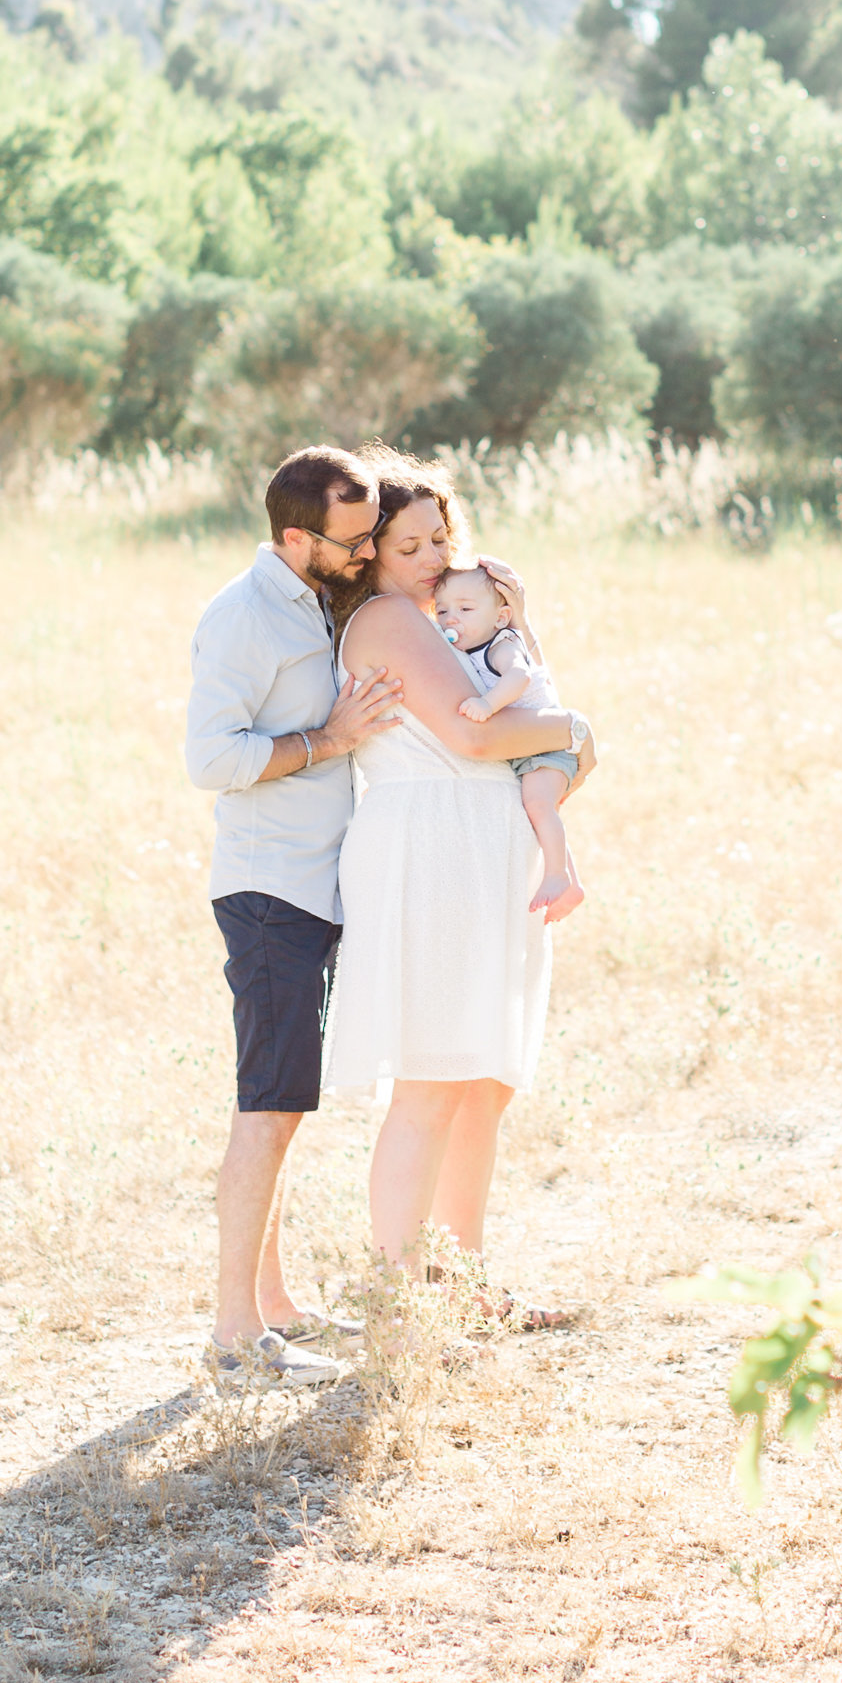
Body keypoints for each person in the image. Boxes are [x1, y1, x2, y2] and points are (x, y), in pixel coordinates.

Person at [322, 455, 594, 1300]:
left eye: (442, 537)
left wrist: (522, 625)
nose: (434, 558)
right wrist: (575, 727)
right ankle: (402, 1302)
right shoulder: (390, 621)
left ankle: (465, 1288)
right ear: (368, 554)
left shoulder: (452, 620)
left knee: (482, 1081)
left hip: (484, 843)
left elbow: (519, 719)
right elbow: (480, 739)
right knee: (434, 1080)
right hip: (430, 845)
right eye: (410, 545)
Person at [185, 444, 402, 1386]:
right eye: (352, 540)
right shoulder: (240, 619)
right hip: (270, 889)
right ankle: (235, 1340)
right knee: (266, 1111)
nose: (366, 555)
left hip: (319, 885)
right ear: (293, 536)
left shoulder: (322, 598)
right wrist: (329, 741)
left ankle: (276, 1307)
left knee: (287, 1109)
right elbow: (212, 759)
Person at [434, 559, 586, 927]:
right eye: (442, 611)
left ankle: (557, 876)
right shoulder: (466, 647)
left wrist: (487, 704)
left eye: (466, 609)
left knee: (538, 804)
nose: (451, 619)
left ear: (501, 618)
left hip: (546, 744)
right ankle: (572, 881)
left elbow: (519, 677)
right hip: (525, 746)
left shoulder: (502, 645)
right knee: (538, 809)